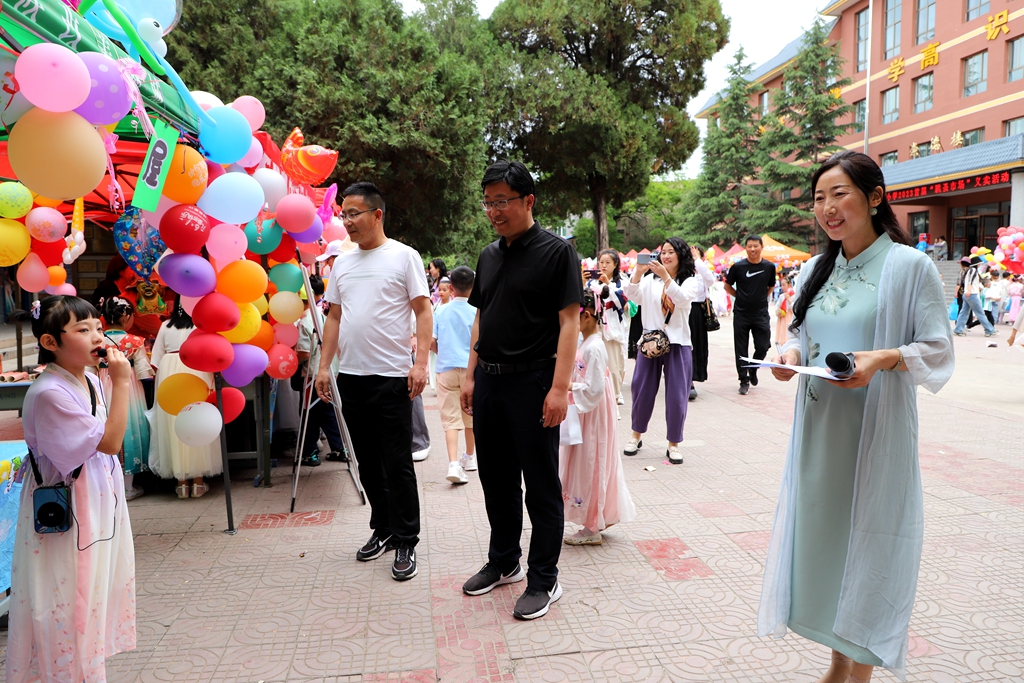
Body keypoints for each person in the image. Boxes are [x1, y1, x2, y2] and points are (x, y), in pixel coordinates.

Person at [763, 150, 954, 683]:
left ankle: (858, 674)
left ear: (874, 198)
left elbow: (937, 348)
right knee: (825, 542)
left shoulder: (909, 267)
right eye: (819, 198)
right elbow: (801, 332)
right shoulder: (815, 268)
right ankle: (837, 662)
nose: (827, 207)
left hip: (873, 431)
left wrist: (883, 359)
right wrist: (789, 355)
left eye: (839, 194)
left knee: (871, 544)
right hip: (819, 431)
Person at [459, 160, 583, 620]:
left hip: (534, 382)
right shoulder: (489, 255)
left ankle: (544, 578)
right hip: (489, 381)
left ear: (528, 200)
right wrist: (470, 375)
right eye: (488, 202)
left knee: (540, 484)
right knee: (495, 478)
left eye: (502, 201)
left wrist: (559, 388)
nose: (493, 211)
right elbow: (481, 316)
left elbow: (569, 322)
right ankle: (504, 560)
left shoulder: (557, 253)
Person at [8, 296, 136, 682]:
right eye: (83, 330)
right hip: (68, 509)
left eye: (97, 327)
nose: (97, 336)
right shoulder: (50, 392)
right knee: (63, 600)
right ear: (51, 342)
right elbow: (110, 442)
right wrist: (123, 381)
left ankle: (85, 671)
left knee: (90, 591)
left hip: (94, 500)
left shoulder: (90, 379)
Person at [315, 181, 432, 582]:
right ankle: (382, 528)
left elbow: (423, 310)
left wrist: (420, 364)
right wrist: (324, 367)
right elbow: (334, 317)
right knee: (365, 460)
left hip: (393, 377)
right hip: (352, 376)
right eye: (343, 214)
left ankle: (406, 540)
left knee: (397, 462)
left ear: (377, 214)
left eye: (354, 213)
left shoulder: (404, 256)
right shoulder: (343, 263)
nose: (347, 221)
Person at [559, 289, 636, 545]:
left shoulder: (594, 347)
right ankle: (598, 516)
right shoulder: (587, 343)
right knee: (590, 460)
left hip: (592, 414)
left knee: (593, 461)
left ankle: (592, 526)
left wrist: (568, 386)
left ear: (588, 315)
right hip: (588, 412)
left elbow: (594, 389)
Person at [623, 238, 709, 464]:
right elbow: (632, 296)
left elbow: (681, 299)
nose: (666, 256)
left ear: (681, 255)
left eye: (671, 252)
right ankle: (635, 436)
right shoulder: (650, 280)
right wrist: (638, 273)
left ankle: (674, 444)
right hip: (650, 344)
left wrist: (665, 277)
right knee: (641, 390)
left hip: (678, 343)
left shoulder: (690, 280)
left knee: (677, 396)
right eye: (663, 252)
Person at [149, 302, 221, 498]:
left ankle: (181, 484)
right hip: (197, 370)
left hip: (169, 373)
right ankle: (198, 482)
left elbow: (155, 361)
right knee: (198, 420)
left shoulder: (165, 326)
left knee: (174, 423)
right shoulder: (203, 326)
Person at [99, 296, 154, 501]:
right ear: (126, 317)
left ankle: (109, 486)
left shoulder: (97, 341)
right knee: (129, 427)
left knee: (106, 428)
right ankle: (128, 487)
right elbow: (144, 372)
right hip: (129, 387)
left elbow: (88, 369)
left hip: (102, 386)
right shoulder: (135, 342)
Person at [431, 266, 477, 485]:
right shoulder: (477, 311)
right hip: (471, 371)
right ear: (473, 288)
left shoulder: (441, 311)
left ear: (451, 288)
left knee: (451, 419)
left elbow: (432, 341)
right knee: (470, 415)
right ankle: (470, 457)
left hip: (446, 368)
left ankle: (452, 463)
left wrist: (443, 353)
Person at [296, 275, 346, 466]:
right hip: (332, 371)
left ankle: (311, 452)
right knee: (326, 410)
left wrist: (292, 360)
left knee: (311, 413)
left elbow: (304, 353)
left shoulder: (306, 321)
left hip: (313, 374)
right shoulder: (325, 316)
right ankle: (338, 448)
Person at [725, 235, 777, 395]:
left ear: (761, 247)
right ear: (745, 248)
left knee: (763, 345)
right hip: (741, 313)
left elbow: (771, 285)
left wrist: (761, 298)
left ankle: (753, 368)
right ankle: (743, 380)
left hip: (760, 313)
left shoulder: (769, 267)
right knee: (741, 348)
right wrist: (740, 297)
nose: (752, 249)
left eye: (755, 246)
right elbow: (727, 286)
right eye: (749, 246)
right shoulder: (738, 267)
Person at [591, 250, 630, 404]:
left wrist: (608, 284)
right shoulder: (593, 283)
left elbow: (622, 302)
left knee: (615, 367)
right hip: (596, 330)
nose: (604, 265)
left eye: (608, 262)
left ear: (615, 264)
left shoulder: (622, 282)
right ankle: (599, 402)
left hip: (613, 331)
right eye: (601, 262)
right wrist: (582, 282)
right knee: (596, 366)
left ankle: (614, 401)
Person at [685, 245, 717, 401]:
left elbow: (710, 280)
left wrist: (697, 260)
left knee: (698, 344)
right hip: (684, 309)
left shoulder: (703, 271)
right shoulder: (683, 269)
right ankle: (687, 381)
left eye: (696, 254)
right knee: (686, 344)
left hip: (698, 311)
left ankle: (693, 376)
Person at [953, 256, 996, 337]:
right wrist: (969, 290)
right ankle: (989, 330)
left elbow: (981, 280)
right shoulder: (973, 270)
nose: (980, 265)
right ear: (977, 264)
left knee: (964, 313)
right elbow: (971, 281)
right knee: (980, 313)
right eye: (979, 264)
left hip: (967, 294)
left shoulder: (969, 270)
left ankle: (958, 330)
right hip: (972, 294)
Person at [773, 274, 795, 344]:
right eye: (781, 285)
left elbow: (795, 309)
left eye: (784, 285)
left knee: (789, 338)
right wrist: (778, 311)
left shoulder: (794, 296)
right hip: (783, 319)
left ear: (790, 285)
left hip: (790, 318)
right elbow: (777, 306)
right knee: (782, 336)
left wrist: (788, 299)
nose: (782, 287)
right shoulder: (781, 296)